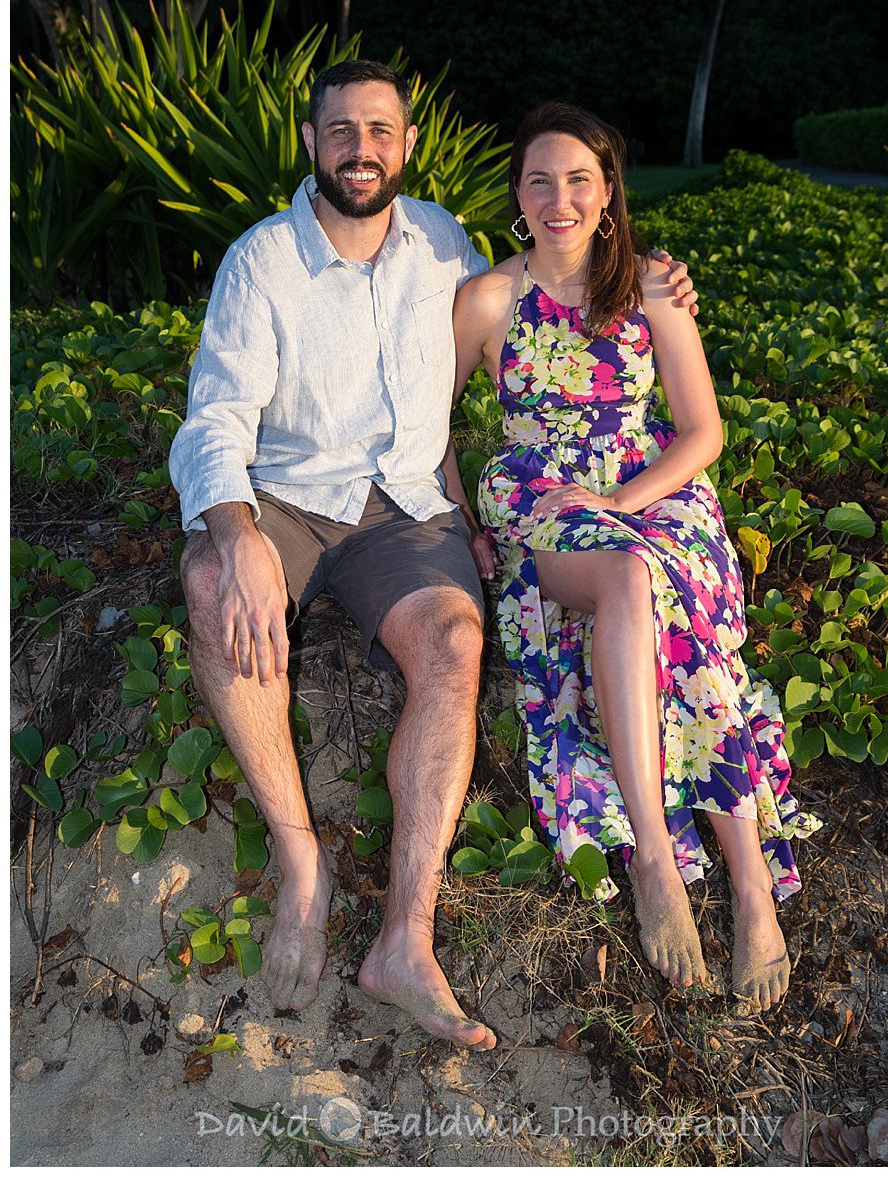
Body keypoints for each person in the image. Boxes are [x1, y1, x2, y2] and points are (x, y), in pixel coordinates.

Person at [168, 61, 697, 1048]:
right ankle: (303, 868)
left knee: (455, 643)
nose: (359, 149)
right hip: (286, 493)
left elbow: (560, 272)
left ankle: (404, 942)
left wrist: (660, 277)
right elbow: (217, 417)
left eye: (379, 130)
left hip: (403, 512)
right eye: (340, 131)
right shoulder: (261, 261)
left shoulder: (446, 248)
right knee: (207, 580)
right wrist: (235, 535)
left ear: (406, 144)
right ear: (313, 141)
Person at [449, 102, 817, 1010]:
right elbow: (428, 436)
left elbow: (703, 432)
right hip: (544, 494)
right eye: (540, 180)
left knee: (675, 599)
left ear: (610, 192)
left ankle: (747, 885)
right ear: (517, 198)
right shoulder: (488, 299)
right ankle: (655, 854)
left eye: (579, 179)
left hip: (649, 487)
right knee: (627, 574)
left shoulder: (653, 285)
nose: (559, 198)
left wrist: (625, 498)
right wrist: (466, 521)